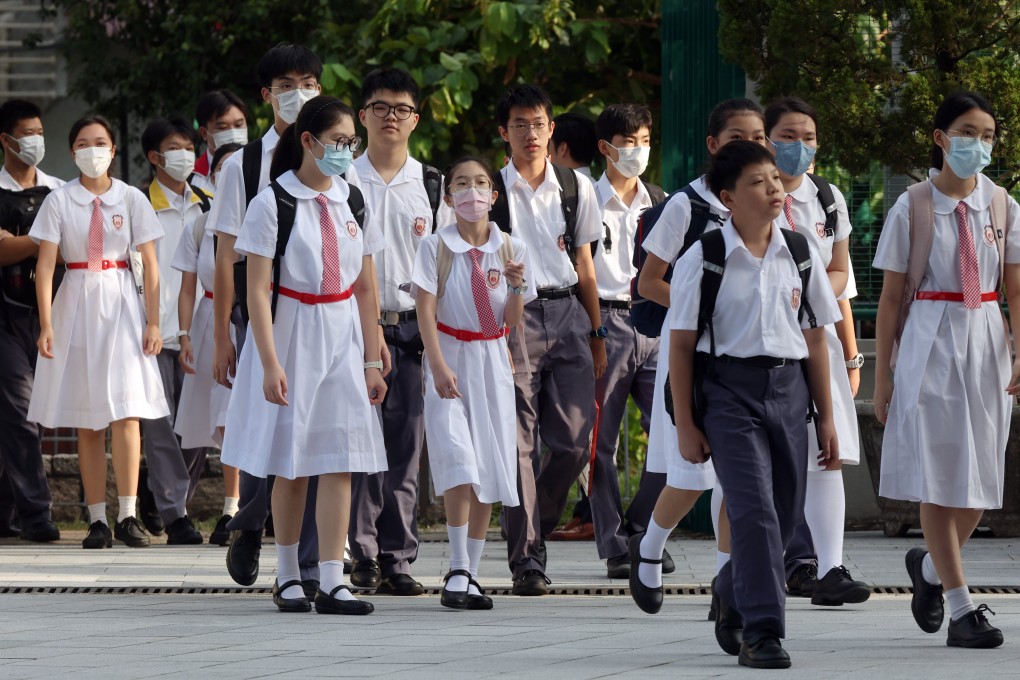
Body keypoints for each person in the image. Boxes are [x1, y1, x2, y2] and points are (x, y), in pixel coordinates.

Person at [635, 140, 840, 668]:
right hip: (727, 392)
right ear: (728, 196)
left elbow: (817, 338)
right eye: (757, 181)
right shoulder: (702, 258)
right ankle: (763, 631)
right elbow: (680, 346)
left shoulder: (799, 251)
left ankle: (731, 584)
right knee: (752, 511)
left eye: (774, 178)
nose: (773, 187)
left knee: (786, 515)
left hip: (789, 389)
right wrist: (686, 424)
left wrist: (829, 417)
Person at [220, 96, 386, 615]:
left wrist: (373, 356)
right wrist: (269, 362)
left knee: (340, 459)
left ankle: (333, 578)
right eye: (337, 142)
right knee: (290, 463)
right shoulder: (273, 202)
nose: (345, 152)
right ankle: (289, 574)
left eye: (350, 143)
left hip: (344, 335)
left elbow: (366, 287)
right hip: (293, 330)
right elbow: (257, 291)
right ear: (308, 141)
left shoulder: (353, 198)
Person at [874, 90, 1017, 649]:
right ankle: (961, 608)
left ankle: (929, 569)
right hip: (930, 336)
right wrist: (883, 376)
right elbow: (888, 300)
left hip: (985, 338)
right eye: (966, 133)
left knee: (981, 477)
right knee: (939, 473)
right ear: (940, 139)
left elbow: (1016, 289)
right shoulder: (911, 205)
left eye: (987, 136)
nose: (977, 145)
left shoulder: (1002, 205)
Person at [633, 99, 767, 600]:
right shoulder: (686, 206)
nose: (749, 145)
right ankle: (649, 546)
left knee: (738, 479)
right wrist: (703, 310)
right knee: (692, 476)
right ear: (714, 146)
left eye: (757, 136)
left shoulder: (771, 207)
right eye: (737, 137)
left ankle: (727, 585)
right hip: (690, 350)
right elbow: (649, 282)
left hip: (744, 354)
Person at [211, 43, 325, 593]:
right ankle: (252, 520)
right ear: (267, 95)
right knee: (268, 430)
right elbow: (226, 253)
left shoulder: (337, 155)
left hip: (324, 316)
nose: (297, 93)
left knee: (317, 436)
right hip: (263, 314)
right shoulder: (243, 165)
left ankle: (307, 562)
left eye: (307, 82)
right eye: (285, 85)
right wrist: (220, 337)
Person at [27, 115, 169, 549]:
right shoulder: (59, 201)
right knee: (88, 418)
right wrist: (47, 324)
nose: (94, 150)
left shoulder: (130, 198)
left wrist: (153, 321)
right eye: (84, 143)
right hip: (76, 303)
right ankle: (96, 519)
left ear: (112, 150)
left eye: (101, 142)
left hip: (122, 302)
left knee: (126, 413)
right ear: (72, 152)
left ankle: (128, 514)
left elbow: (151, 265)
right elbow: (46, 266)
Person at [494, 84, 605, 596]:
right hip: (513, 317)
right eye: (520, 125)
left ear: (551, 128)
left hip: (568, 313)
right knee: (519, 443)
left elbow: (585, 264)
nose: (530, 134)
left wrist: (598, 330)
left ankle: (529, 522)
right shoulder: (489, 190)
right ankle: (527, 559)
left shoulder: (575, 187)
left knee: (574, 444)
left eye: (538, 123)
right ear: (504, 133)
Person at [763, 96, 870, 606]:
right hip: (762, 340)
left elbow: (841, 278)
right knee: (765, 456)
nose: (798, 147)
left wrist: (851, 355)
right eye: (787, 136)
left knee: (829, 452)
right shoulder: (749, 194)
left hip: (819, 339)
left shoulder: (828, 198)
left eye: (808, 137)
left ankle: (831, 569)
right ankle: (742, 571)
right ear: (765, 139)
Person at [348, 67, 451, 596]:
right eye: (381, 107)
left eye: (402, 109)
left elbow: (445, 266)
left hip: (412, 329)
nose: (392, 117)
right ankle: (360, 552)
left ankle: (398, 557)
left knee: (406, 444)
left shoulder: (433, 185)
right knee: (359, 444)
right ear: (362, 115)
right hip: (355, 329)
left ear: (415, 119)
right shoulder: (342, 180)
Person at [413, 156, 533, 609]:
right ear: (449, 197)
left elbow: (512, 320)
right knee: (457, 458)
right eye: (461, 184)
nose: (471, 191)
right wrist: (438, 364)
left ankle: (471, 574)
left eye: (481, 183)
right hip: (450, 355)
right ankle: (457, 565)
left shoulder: (511, 248)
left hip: (492, 360)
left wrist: (518, 286)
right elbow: (425, 308)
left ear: (494, 195)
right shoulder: (435, 246)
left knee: (488, 462)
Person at [587, 103, 668, 579]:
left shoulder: (659, 200)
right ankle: (615, 545)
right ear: (606, 148)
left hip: (655, 323)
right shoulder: (582, 198)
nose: (637, 151)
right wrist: (593, 331)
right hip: (606, 323)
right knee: (602, 443)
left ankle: (641, 528)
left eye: (643, 140)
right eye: (628, 142)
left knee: (674, 436)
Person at [138, 117, 210, 545]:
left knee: (195, 426)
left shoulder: (208, 201)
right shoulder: (138, 204)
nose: (184, 155)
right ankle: (176, 512)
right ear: (154, 157)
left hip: (201, 328)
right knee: (161, 424)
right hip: (152, 330)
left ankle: (160, 490)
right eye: (174, 148)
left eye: (189, 147)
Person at [172, 142, 244, 546]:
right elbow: (186, 289)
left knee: (235, 415)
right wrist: (184, 335)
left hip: (249, 322)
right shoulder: (199, 226)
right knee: (221, 420)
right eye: (223, 168)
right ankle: (234, 504)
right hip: (209, 322)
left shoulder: (262, 219)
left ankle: (237, 504)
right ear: (212, 176)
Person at [0, 99, 63, 542]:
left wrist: (23, 240)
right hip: (4, 317)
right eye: (28, 134)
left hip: (51, 315)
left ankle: (7, 514)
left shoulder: (59, 190)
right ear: (6, 140)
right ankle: (38, 516)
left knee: (27, 416)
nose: (36, 141)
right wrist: (44, 241)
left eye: (40, 132)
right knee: (21, 413)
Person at [190, 89, 248, 193]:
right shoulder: (191, 179)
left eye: (239, 125)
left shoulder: (266, 167)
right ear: (204, 133)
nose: (233, 133)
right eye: (222, 127)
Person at [549, 112, 597, 185]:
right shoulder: (598, 190)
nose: (545, 153)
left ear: (562, 148)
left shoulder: (559, 192)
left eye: (548, 146)